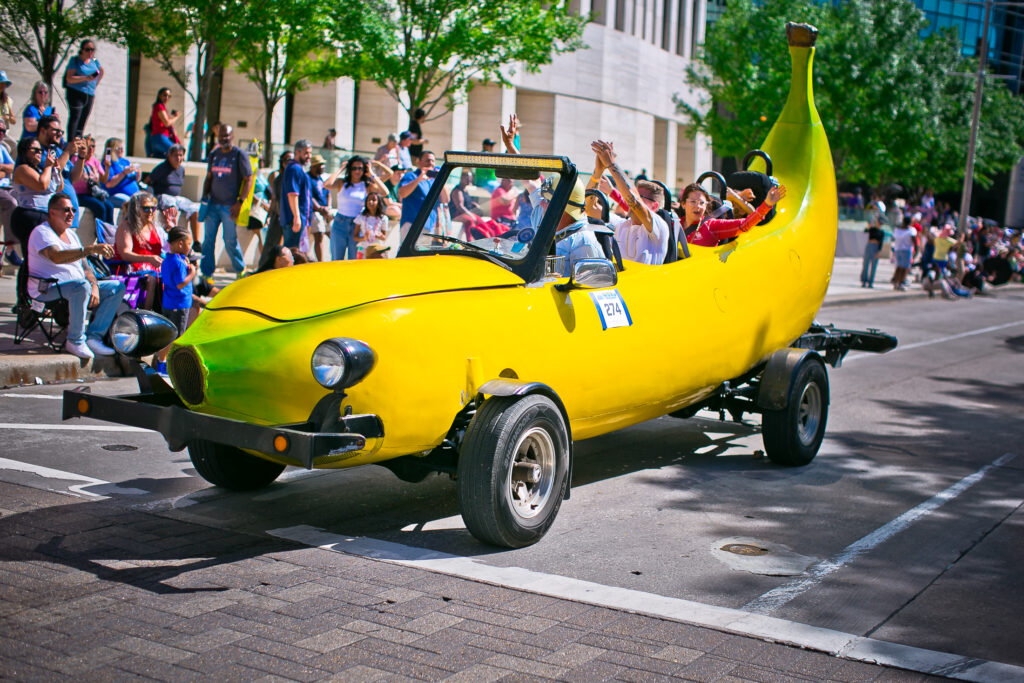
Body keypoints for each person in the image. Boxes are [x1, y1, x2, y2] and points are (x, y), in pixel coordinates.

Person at [27, 193, 124, 359]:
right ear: (52, 212)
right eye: (66, 210)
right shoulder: (42, 232)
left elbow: (86, 267)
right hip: (46, 289)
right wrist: (90, 249)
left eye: (73, 209)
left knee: (117, 287)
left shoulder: (71, 234)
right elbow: (56, 256)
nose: (72, 213)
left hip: (77, 286)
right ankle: (75, 340)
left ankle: (94, 337)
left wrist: (94, 285)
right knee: (81, 286)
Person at [590, 139, 671, 264]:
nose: (626, 195)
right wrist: (598, 172)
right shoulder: (621, 224)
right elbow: (590, 208)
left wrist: (611, 165)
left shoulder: (659, 227)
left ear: (654, 206)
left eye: (641, 197)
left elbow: (633, 200)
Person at [200, 124, 252, 280]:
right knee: (208, 241)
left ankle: (240, 270)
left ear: (232, 136)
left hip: (230, 206)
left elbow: (248, 179)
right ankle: (207, 274)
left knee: (229, 240)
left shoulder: (239, 155)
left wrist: (239, 202)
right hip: (212, 205)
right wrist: (204, 197)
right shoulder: (214, 154)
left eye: (227, 136)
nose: (224, 139)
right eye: (221, 136)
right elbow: (209, 177)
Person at [678, 181, 786, 248]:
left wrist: (766, 204)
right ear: (683, 204)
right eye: (693, 202)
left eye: (702, 203)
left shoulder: (712, 226)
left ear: (706, 206)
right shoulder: (674, 224)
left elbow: (744, 225)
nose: (698, 206)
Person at [327, 155, 388, 261]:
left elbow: (385, 192)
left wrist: (372, 174)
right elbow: (327, 185)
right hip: (340, 222)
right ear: (349, 169)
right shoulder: (342, 182)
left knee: (353, 259)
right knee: (337, 258)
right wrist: (341, 169)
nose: (357, 171)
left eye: (360, 168)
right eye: (354, 168)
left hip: (357, 224)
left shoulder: (367, 185)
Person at [155, 226, 199, 374]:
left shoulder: (168, 259)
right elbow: (180, 284)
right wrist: (192, 273)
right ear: (180, 244)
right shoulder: (178, 263)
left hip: (169, 302)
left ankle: (162, 361)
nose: (190, 248)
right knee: (176, 335)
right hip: (178, 304)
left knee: (168, 333)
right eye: (188, 244)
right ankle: (163, 362)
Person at [10, 136, 64, 252]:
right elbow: (41, 185)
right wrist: (48, 166)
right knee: (33, 256)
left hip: (44, 215)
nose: (39, 153)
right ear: (25, 151)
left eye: (41, 150)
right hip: (29, 215)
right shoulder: (22, 169)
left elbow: (59, 188)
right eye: (35, 150)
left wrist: (56, 171)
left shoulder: (41, 171)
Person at [114, 192, 164, 308]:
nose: (151, 212)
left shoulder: (153, 227)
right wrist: (149, 259)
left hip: (154, 270)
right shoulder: (126, 227)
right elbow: (125, 254)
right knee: (151, 279)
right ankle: (146, 314)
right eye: (146, 209)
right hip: (133, 270)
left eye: (153, 208)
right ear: (136, 210)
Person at [148, 144, 199, 243]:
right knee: (171, 206)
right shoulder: (162, 168)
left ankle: (196, 242)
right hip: (163, 196)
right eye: (176, 155)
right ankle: (172, 238)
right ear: (169, 156)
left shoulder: (181, 169)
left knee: (195, 209)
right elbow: (148, 181)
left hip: (177, 197)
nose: (178, 158)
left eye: (181, 155)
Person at [398, 150, 448, 241]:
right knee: (406, 255)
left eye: (433, 161)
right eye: (427, 160)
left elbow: (445, 200)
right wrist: (420, 178)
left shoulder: (434, 180)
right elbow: (402, 193)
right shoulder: (411, 176)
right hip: (411, 224)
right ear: (419, 162)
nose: (430, 163)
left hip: (428, 226)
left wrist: (440, 179)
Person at [257, 150, 292, 268]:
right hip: (277, 216)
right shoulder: (277, 177)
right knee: (270, 246)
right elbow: (274, 198)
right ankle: (262, 270)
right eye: (287, 160)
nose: (289, 163)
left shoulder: (295, 177)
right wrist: (270, 215)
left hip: (290, 218)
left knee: (288, 249)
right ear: (282, 162)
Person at [71, 135, 115, 225]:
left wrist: (107, 168)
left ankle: (110, 232)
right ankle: (100, 233)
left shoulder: (94, 161)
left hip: (92, 193)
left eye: (93, 146)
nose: (91, 149)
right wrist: (89, 177)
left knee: (109, 206)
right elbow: (77, 177)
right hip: (80, 194)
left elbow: (104, 180)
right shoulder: (77, 159)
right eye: (89, 146)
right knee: (100, 207)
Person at [64, 40, 103, 140]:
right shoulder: (76, 60)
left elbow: (101, 71)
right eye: (87, 50)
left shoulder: (94, 60)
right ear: (82, 50)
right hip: (75, 92)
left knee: (84, 119)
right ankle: (71, 142)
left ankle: (79, 140)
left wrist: (94, 84)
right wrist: (85, 78)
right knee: (75, 116)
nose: (90, 52)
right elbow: (69, 78)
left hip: (89, 93)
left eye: (92, 50)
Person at [281, 140, 313, 254]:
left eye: (310, 153)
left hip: (301, 218)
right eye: (306, 153)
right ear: (297, 152)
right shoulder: (294, 169)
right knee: (291, 252)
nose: (309, 156)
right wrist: (297, 217)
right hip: (293, 220)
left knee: (298, 253)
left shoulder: (299, 169)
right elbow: (292, 194)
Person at [0, 120, 19, 265]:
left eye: (4, 131)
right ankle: (10, 249)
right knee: (12, 203)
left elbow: (13, 167)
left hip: (8, 187)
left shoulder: (2, 148)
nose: (2, 134)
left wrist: (2, 167)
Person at [101, 137, 141, 207]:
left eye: (122, 149)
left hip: (135, 195)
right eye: (119, 149)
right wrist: (124, 173)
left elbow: (135, 179)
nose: (122, 151)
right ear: (112, 150)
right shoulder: (108, 163)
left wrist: (138, 174)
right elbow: (109, 184)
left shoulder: (125, 161)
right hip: (118, 195)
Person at [308, 154, 332, 262]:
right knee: (319, 236)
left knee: (332, 234)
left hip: (325, 211)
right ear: (313, 166)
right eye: (320, 165)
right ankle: (320, 262)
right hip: (314, 212)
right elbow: (309, 196)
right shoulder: (308, 178)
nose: (322, 167)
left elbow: (328, 193)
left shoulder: (321, 179)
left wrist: (328, 208)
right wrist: (320, 209)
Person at [149, 88, 182, 158]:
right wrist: (176, 117)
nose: (167, 98)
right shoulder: (159, 106)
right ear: (159, 95)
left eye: (169, 96)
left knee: (161, 161)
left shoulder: (160, 107)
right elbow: (167, 123)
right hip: (160, 138)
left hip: (157, 138)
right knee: (177, 153)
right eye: (165, 95)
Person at [354, 193, 389, 258]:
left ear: (379, 202)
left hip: (377, 249)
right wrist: (364, 238)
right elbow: (355, 237)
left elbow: (384, 237)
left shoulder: (383, 218)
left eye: (373, 200)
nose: (370, 202)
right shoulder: (361, 217)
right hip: (363, 249)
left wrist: (380, 236)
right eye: (368, 200)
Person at [890, 216, 916, 291]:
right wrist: (915, 251)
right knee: (904, 268)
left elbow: (894, 238)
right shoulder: (911, 230)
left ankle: (896, 282)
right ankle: (901, 282)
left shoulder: (897, 230)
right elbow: (914, 240)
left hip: (897, 249)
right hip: (906, 250)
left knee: (898, 267)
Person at [860, 215, 885, 288]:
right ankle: (864, 281)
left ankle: (871, 282)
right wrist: (869, 226)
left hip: (876, 247)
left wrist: (878, 252)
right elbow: (865, 231)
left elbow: (881, 243)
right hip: (869, 246)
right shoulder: (872, 229)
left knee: (873, 266)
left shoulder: (881, 232)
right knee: (865, 264)